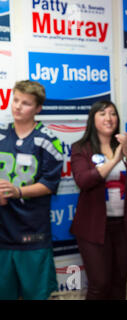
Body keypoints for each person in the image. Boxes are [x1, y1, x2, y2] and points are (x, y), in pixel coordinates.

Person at [70, 100, 127, 300]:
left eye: (113, 114)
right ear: (92, 119)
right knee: (99, 284)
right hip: (93, 226)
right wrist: (113, 160)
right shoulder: (81, 148)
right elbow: (83, 181)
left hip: (124, 225)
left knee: (119, 282)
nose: (109, 118)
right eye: (103, 114)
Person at [0, 80, 63, 300]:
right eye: (15, 99)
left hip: (32, 235)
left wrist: (17, 192)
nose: (17, 106)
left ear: (38, 108)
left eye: (25, 103)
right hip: (2, 234)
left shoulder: (49, 140)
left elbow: (49, 184)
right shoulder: (0, 134)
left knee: (38, 296)